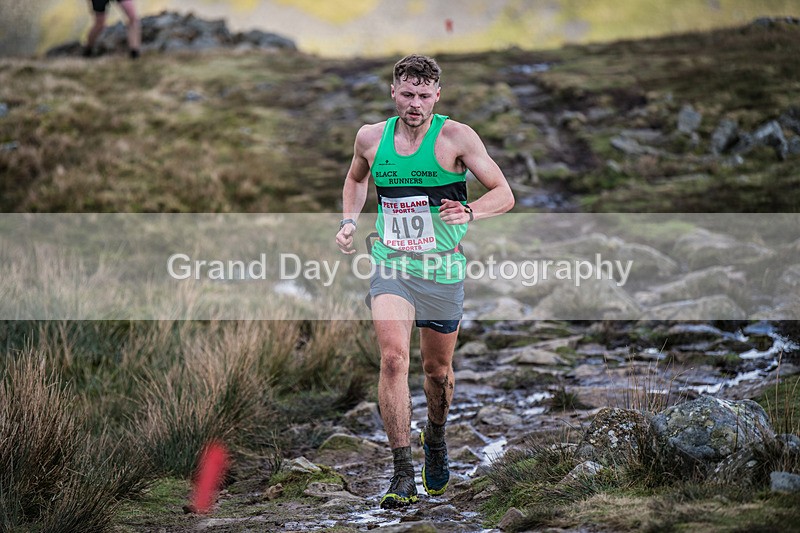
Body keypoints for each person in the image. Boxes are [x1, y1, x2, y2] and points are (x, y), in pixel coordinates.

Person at [335, 54, 514, 509]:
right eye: (407, 94)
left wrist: (471, 210)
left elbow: (505, 193)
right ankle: (400, 472)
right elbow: (355, 180)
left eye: (424, 95)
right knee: (393, 360)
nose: (415, 103)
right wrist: (349, 222)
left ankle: (435, 437)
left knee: (437, 373)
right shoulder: (371, 138)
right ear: (394, 92)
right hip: (391, 264)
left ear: (437, 94)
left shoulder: (456, 136)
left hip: (441, 270)